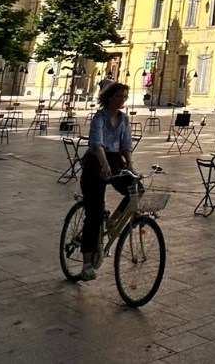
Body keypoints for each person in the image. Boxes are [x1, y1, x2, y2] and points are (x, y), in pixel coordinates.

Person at [79, 82, 135, 281]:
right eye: (119, 96)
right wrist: (104, 165)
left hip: (114, 160)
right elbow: (97, 143)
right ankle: (87, 263)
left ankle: (112, 224)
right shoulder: (99, 117)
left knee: (136, 190)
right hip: (96, 161)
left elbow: (126, 144)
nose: (122, 100)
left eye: (124, 97)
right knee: (93, 214)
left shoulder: (124, 119)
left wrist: (130, 165)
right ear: (110, 97)